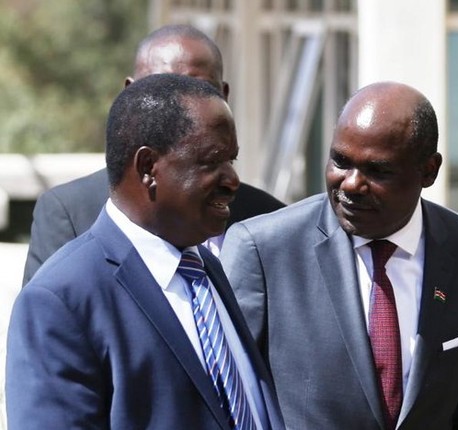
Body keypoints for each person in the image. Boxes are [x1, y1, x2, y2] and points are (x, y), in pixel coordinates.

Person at [220, 81, 458, 429]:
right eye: (340, 161)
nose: (352, 183)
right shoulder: (265, 250)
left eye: (377, 170)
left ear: (429, 171)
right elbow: (228, 401)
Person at [6, 73, 285, 429]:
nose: (232, 180)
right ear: (148, 167)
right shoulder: (61, 301)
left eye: (231, 160)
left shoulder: (203, 266)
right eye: (212, 162)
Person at [22, 24, 284, 286]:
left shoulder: (269, 220)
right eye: (161, 90)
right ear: (129, 93)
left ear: (224, 96)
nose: (184, 109)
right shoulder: (71, 212)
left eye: (200, 89)